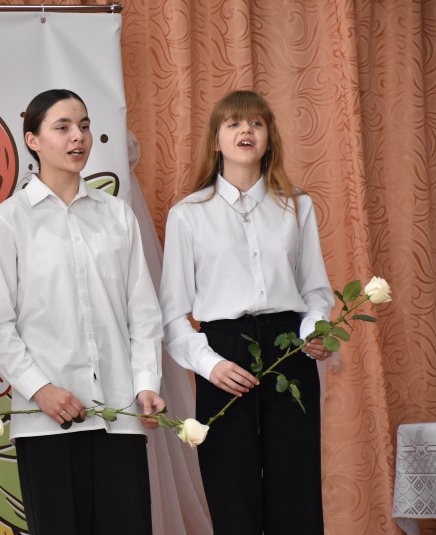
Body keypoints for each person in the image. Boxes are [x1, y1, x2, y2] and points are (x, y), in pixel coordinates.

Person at [0, 89, 165, 535]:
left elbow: (143, 314)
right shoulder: (9, 220)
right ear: (33, 140)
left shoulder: (117, 215)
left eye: (83, 126)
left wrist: (146, 384)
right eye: (62, 127)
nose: (77, 136)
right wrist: (40, 390)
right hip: (46, 421)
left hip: (120, 415)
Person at [160, 90, 334, 534]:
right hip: (223, 353)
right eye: (234, 123)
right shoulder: (187, 215)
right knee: (229, 486)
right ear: (215, 139)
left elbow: (315, 292)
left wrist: (315, 331)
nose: (246, 131)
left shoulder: (297, 205)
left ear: (269, 137)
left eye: (257, 123)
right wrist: (210, 365)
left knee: (295, 485)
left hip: (289, 349)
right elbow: (172, 315)